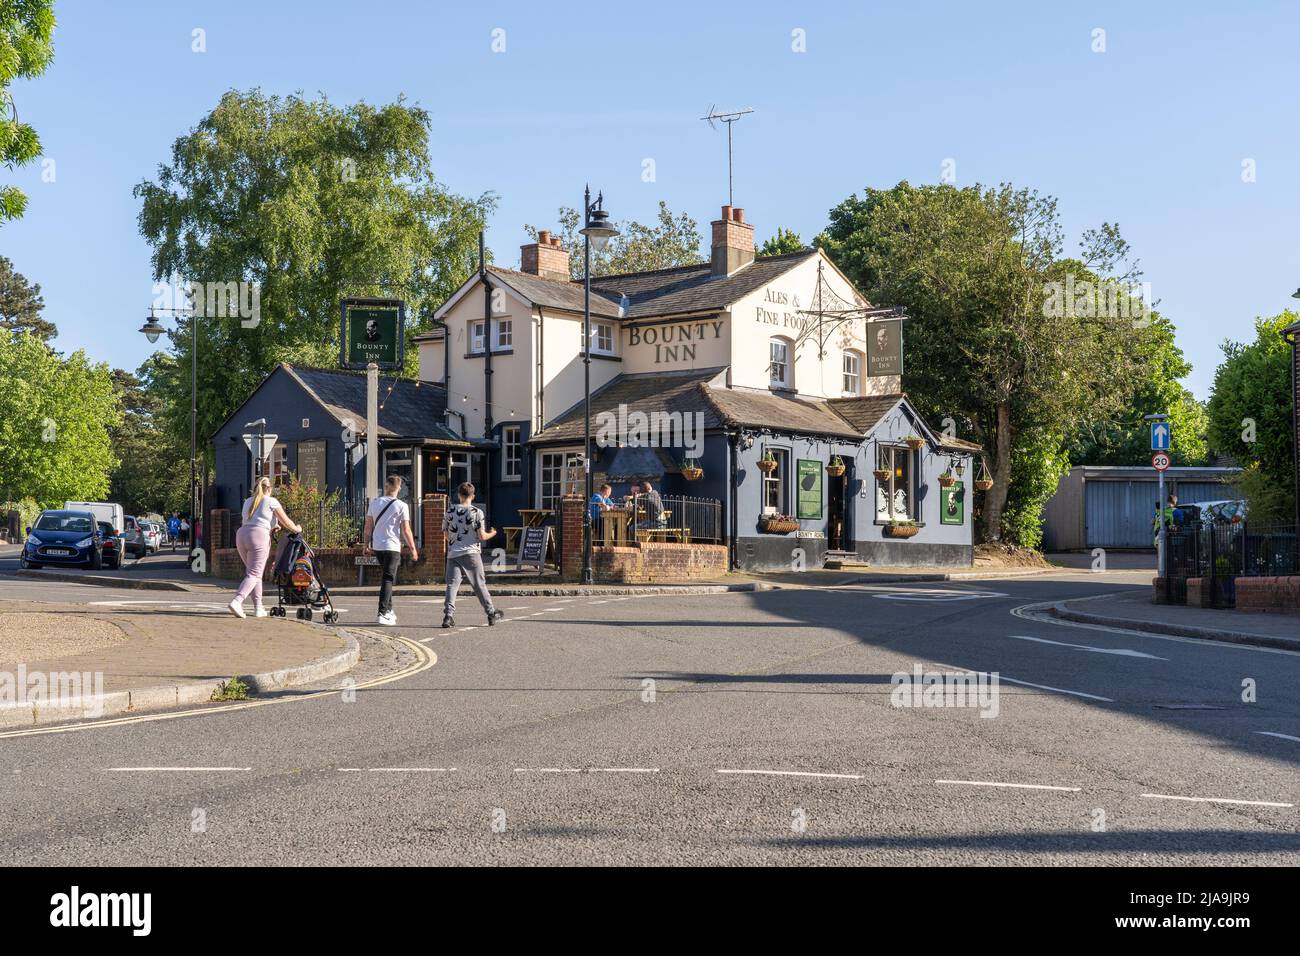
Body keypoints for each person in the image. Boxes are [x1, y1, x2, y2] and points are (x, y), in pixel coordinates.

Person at [230, 477, 301, 619]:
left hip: (242, 535)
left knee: (254, 574)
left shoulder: (248, 501)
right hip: (258, 536)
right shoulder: (271, 501)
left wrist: (272, 526)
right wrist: (297, 528)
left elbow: (255, 519)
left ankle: (258, 607)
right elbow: (287, 522)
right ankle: (237, 601)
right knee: (254, 574)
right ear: (269, 488)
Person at [440, 481, 503, 629]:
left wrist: (455, 542)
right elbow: (481, 536)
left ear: (459, 495)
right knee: (479, 585)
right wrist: (493, 533)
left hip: (453, 554)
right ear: (472, 496)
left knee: (452, 585)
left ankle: (448, 617)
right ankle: (491, 613)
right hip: (471, 553)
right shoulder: (476, 512)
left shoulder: (449, 512)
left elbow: (446, 535)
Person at [362, 474, 419, 626]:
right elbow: (406, 530)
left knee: (387, 578)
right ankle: (382, 612)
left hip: (378, 547)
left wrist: (365, 545)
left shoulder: (374, 503)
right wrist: (413, 549)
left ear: (386, 486)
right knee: (388, 579)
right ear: (399, 488)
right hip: (392, 547)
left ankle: (389, 610)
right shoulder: (401, 505)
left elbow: (368, 527)